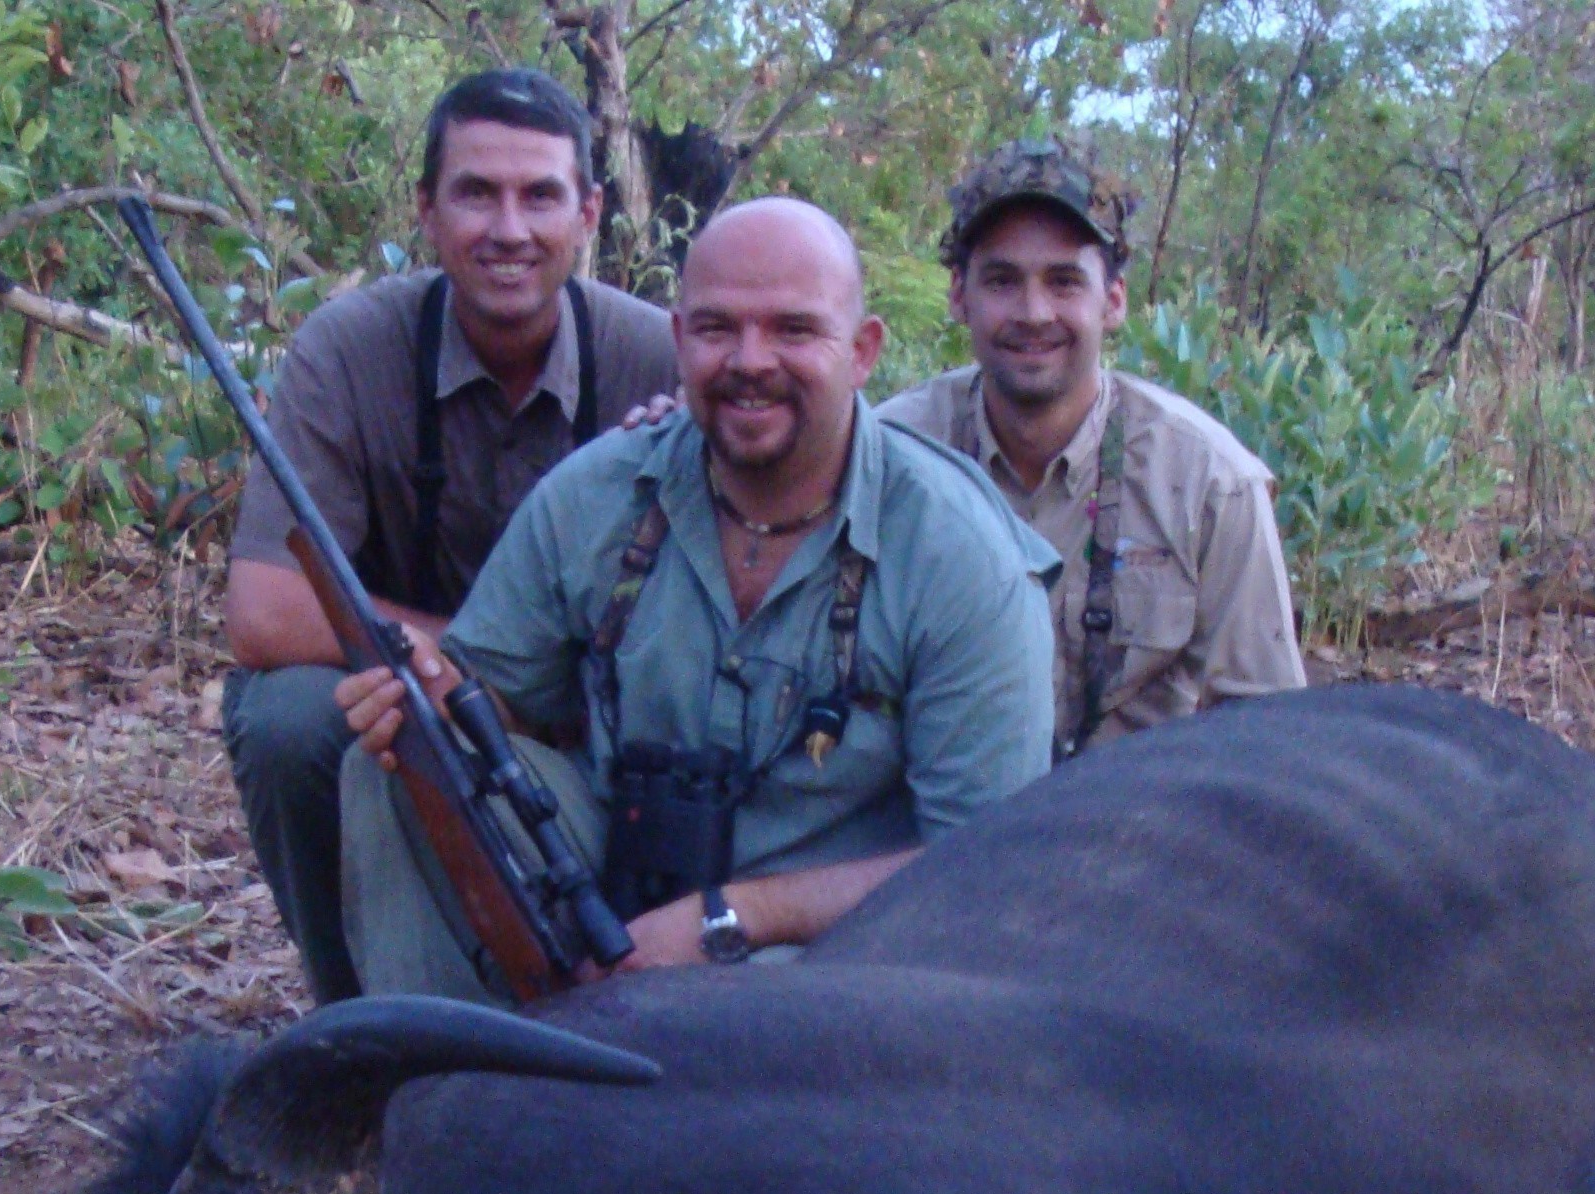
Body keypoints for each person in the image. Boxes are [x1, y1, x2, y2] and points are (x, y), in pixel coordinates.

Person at [332, 197, 1057, 1000]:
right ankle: (423, 1073)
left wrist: (730, 917)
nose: (750, 360)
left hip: (830, 954)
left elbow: (984, 871)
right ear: (678, 341)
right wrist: (434, 694)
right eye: (717, 329)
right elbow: (496, 700)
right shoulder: (596, 494)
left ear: (862, 351)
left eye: (793, 330)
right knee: (404, 762)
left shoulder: (961, 558)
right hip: (612, 881)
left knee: (758, 1014)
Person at [220, 67, 677, 1000]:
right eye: (477, 193)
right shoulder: (349, 347)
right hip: (422, 701)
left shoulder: (661, 354)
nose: (509, 230)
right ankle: (347, 1017)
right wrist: (463, 671)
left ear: (589, 213)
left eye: (541, 195)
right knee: (288, 720)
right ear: (426, 210)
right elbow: (263, 614)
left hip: (601, 724)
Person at [881, 137, 1305, 759]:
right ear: (957, 296)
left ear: (1113, 300)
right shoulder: (892, 455)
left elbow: (1266, 730)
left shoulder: (1209, 481)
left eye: (1063, 282)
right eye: (1001, 280)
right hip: (937, 821)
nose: (1032, 312)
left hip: (1132, 828)